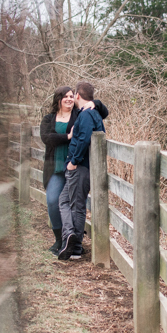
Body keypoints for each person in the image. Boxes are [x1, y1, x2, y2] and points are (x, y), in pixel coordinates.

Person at [39, 86, 109, 255]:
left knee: (74, 204)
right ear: (58, 99)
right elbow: (47, 138)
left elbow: (103, 113)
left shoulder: (79, 114)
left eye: (72, 96)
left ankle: (71, 242)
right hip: (57, 168)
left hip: (74, 166)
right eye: (66, 96)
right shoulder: (49, 119)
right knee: (53, 201)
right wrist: (68, 137)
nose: (69, 99)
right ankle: (60, 238)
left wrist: (95, 103)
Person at [57, 81, 105, 261]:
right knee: (65, 201)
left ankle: (75, 247)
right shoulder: (94, 113)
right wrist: (97, 103)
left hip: (80, 167)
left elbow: (84, 139)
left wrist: (73, 162)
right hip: (84, 167)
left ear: (77, 95)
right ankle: (70, 237)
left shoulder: (86, 115)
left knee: (76, 206)